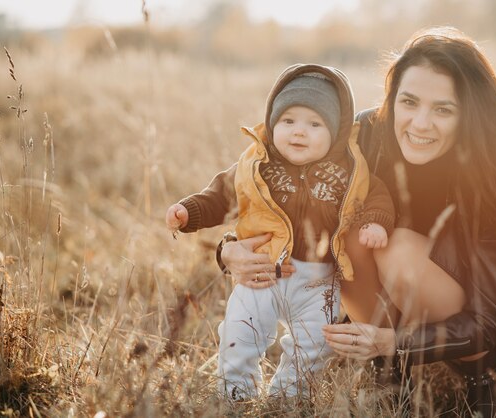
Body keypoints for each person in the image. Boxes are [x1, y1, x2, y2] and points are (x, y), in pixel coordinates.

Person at [217, 27, 496, 417]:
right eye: (409, 102)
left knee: (398, 248)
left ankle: (481, 372)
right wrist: (229, 251)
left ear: (470, 114)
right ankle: (391, 373)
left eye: (443, 109)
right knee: (356, 234)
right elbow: (279, 192)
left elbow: (486, 321)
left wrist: (393, 340)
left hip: (472, 304)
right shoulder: (365, 136)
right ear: (392, 99)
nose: (420, 124)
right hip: (388, 292)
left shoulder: (492, 172)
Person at [166, 63, 394, 399]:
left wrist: (375, 220)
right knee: (240, 330)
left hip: (320, 281)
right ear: (272, 123)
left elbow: (377, 195)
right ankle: (236, 390)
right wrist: (189, 212)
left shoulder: (350, 170)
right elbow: (223, 193)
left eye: (314, 124)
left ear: (337, 131)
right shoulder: (257, 165)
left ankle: (289, 396)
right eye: (288, 121)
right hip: (263, 272)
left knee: (315, 342)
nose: (298, 132)